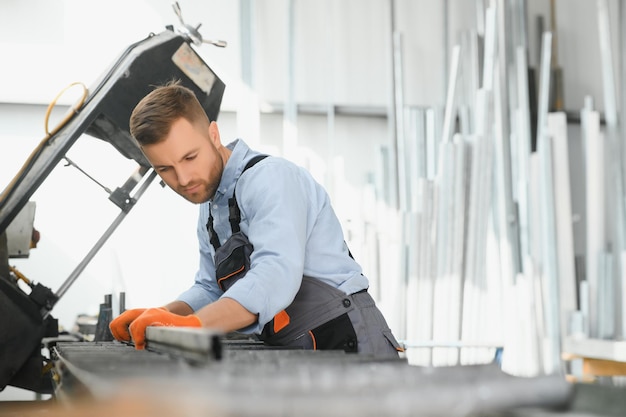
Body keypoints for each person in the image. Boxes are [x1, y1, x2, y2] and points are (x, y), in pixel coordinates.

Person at [109, 80, 403, 357]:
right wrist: (163, 317)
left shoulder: (269, 178)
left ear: (214, 134)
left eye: (190, 157)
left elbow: (274, 274)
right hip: (296, 348)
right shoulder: (211, 206)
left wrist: (194, 327)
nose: (183, 179)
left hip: (347, 339)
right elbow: (210, 288)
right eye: (165, 169)